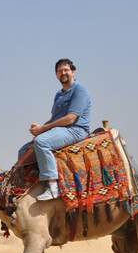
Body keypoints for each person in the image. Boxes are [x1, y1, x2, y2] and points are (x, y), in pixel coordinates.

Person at [18, 58, 91, 201]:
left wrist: (43, 129)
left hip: (76, 129)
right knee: (24, 150)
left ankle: (53, 187)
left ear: (73, 72)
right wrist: (40, 127)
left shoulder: (79, 90)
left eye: (66, 70)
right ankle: (29, 183)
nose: (63, 73)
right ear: (56, 75)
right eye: (60, 71)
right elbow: (55, 119)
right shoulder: (59, 94)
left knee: (41, 142)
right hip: (60, 129)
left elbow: (70, 118)